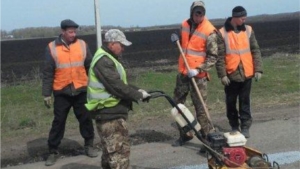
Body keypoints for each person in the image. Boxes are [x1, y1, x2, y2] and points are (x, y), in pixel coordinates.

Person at [85, 29, 151, 169]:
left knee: (109, 154)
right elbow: (116, 87)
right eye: (121, 45)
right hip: (109, 115)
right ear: (112, 43)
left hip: (110, 113)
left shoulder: (108, 58)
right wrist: (138, 96)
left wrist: (137, 90)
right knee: (119, 154)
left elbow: (120, 83)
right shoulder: (103, 60)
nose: (123, 48)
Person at [42, 19, 98, 166]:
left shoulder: (82, 45)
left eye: (75, 31)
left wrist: (95, 87)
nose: (73, 34)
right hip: (62, 91)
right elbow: (48, 72)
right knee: (59, 122)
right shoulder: (52, 47)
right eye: (70, 32)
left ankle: (89, 145)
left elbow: (90, 67)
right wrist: (46, 94)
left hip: (81, 89)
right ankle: (53, 151)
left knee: (85, 119)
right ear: (63, 31)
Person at [172, 1, 223, 147]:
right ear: (191, 12)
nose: (199, 16)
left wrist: (199, 69)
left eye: (201, 13)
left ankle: (207, 139)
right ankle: (185, 134)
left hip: (198, 77)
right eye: (196, 13)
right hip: (183, 73)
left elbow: (213, 57)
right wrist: (175, 38)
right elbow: (183, 44)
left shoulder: (210, 31)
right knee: (178, 106)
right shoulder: (184, 25)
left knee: (200, 108)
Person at [215, 6, 263, 138]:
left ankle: (245, 126)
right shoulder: (222, 33)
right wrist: (223, 74)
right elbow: (219, 56)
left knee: (245, 102)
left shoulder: (248, 30)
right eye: (242, 18)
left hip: (247, 73)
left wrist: (258, 69)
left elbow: (255, 50)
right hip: (231, 75)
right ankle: (234, 126)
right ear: (235, 18)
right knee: (231, 103)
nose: (244, 20)